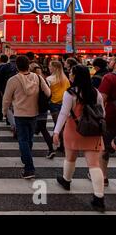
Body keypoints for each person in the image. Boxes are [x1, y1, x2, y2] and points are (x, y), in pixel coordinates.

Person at [54, 65, 106, 212]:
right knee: (94, 165)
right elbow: (102, 112)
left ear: (76, 76)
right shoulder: (96, 92)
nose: (69, 75)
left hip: (74, 129)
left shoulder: (70, 93)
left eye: (71, 73)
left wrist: (56, 131)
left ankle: (66, 180)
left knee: (70, 158)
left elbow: (64, 114)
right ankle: (99, 198)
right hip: (93, 131)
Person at [2, 55, 51, 179]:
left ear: (17, 66)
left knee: (23, 140)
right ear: (28, 65)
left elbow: (6, 99)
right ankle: (26, 159)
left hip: (20, 113)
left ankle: (29, 168)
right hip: (34, 112)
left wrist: (4, 112)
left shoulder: (13, 80)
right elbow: (48, 93)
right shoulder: (38, 78)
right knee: (29, 139)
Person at [97, 56, 116, 189]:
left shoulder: (109, 78)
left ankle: (103, 177)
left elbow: (101, 99)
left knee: (104, 148)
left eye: (111, 60)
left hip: (111, 117)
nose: (109, 62)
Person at [30, 63, 56, 159]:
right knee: (43, 128)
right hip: (43, 107)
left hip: (33, 107)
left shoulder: (32, 80)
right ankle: (51, 149)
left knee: (30, 129)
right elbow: (49, 94)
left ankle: (29, 150)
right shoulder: (44, 80)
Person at [47, 60, 70, 153]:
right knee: (63, 125)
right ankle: (64, 143)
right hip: (64, 103)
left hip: (54, 103)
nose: (49, 67)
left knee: (58, 125)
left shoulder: (49, 79)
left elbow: (47, 92)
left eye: (50, 66)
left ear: (54, 68)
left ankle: (63, 145)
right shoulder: (66, 79)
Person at [0, 54, 9, 121]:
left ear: (0, 59)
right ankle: (7, 117)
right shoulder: (9, 67)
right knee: (8, 102)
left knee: (0, 102)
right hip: (8, 86)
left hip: (0, 87)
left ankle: (0, 116)